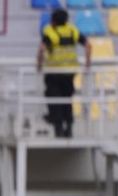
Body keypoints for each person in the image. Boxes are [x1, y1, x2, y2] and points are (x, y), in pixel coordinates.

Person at [37, 8, 91, 138]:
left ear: (54, 21)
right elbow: (89, 45)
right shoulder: (72, 30)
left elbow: (41, 49)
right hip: (70, 72)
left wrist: (39, 64)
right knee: (67, 99)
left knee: (54, 98)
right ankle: (69, 128)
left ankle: (58, 128)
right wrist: (87, 63)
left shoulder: (51, 32)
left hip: (54, 72)